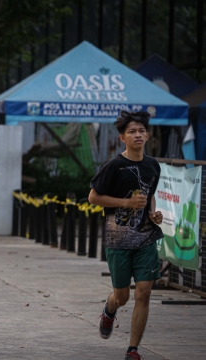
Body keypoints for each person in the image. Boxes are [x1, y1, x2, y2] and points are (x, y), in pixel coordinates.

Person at [88, 110, 164, 360]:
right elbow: (94, 197)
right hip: (117, 240)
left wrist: (153, 214)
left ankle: (133, 350)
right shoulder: (113, 166)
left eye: (141, 131)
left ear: (148, 135)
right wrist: (126, 203)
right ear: (123, 138)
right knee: (122, 296)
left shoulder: (153, 165)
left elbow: (149, 194)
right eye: (132, 131)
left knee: (144, 291)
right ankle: (110, 310)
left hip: (145, 238)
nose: (138, 135)